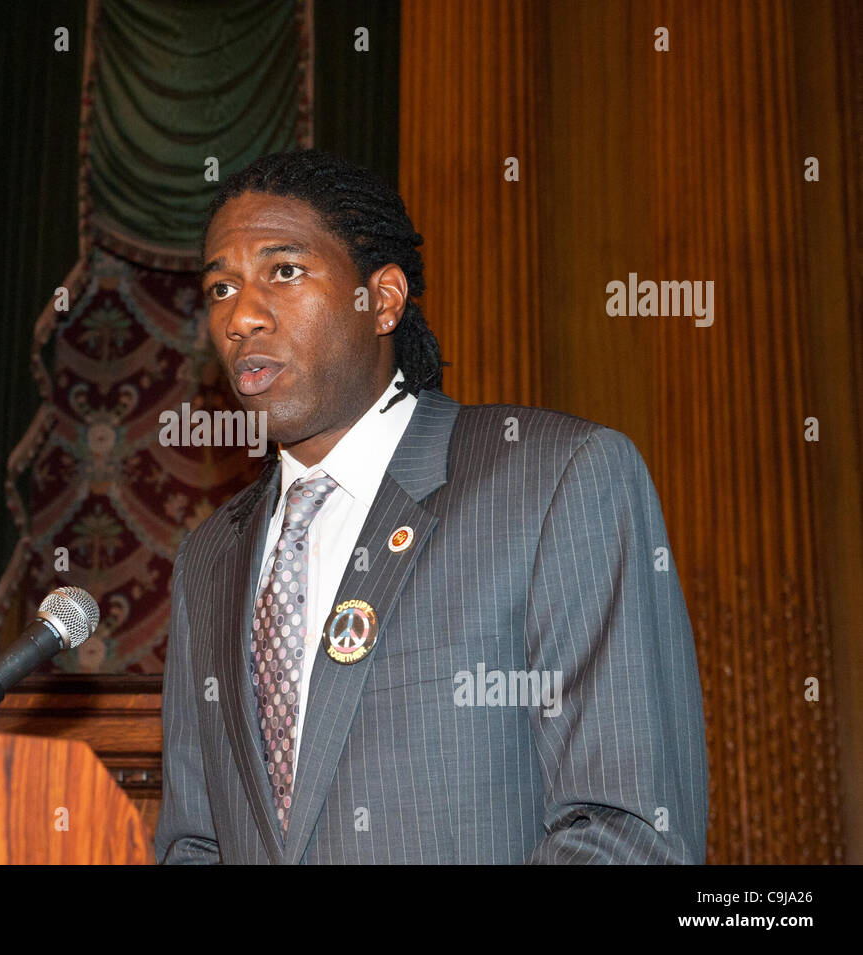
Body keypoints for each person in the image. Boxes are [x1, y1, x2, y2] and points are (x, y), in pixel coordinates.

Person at [154, 148, 708, 864]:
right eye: (220, 288)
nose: (241, 317)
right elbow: (195, 842)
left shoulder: (555, 479)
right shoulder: (209, 557)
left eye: (283, 271)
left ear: (382, 299)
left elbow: (631, 830)